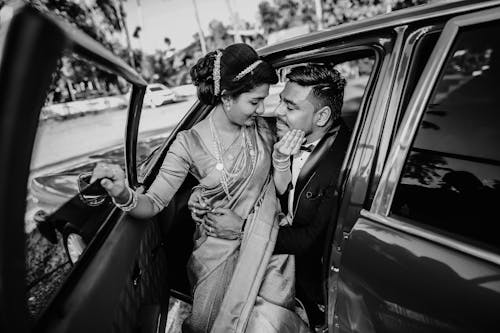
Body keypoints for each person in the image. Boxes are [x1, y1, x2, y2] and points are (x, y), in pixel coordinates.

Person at [90, 43, 309, 333]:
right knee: (209, 323)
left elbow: (278, 189)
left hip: (265, 243)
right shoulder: (188, 143)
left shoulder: (263, 128)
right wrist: (123, 194)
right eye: (254, 101)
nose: (262, 109)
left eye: (263, 101)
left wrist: (281, 159)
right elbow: (153, 202)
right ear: (227, 98)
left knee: (268, 322)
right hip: (216, 252)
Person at [190, 63, 350, 330]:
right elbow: (226, 164)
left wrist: (242, 230)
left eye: (291, 106)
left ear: (322, 117)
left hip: (295, 274)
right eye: (280, 101)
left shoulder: (343, 164)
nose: (277, 112)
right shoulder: (266, 130)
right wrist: (200, 192)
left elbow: (310, 240)